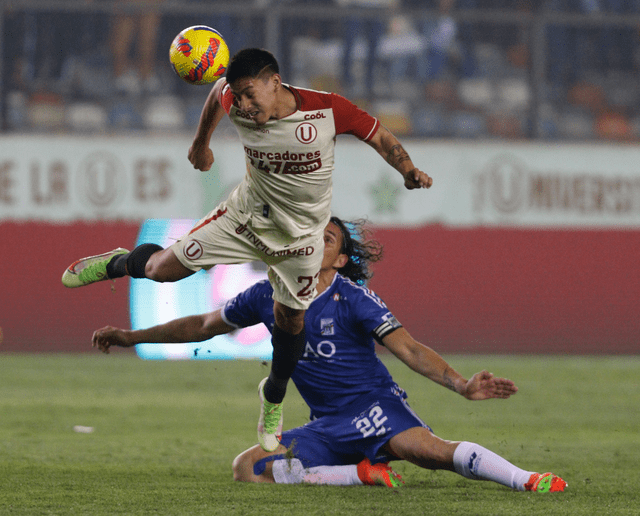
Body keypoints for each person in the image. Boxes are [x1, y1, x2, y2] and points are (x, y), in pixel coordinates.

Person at [61, 48, 433, 452]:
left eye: (250, 94)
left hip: (301, 242)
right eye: (238, 96)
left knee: (292, 325)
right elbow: (217, 91)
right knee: (160, 270)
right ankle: (116, 263)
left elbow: (378, 135)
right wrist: (201, 143)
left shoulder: (327, 110)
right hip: (246, 217)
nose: (243, 104)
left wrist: (408, 170)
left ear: (276, 82)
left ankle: (273, 395)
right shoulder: (235, 102)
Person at [91, 217, 567, 492]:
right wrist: (132, 337)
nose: (316, 240)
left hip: (375, 409)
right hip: (327, 423)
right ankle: (360, 475)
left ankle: (526, 479)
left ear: (339, 260)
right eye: (312, 233)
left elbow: (409, 349)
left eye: (329, 239)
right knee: (247, 469)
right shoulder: (266, 293)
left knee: (429, 454)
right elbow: (201, 325)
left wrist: (461, 385)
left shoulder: (352, 297)